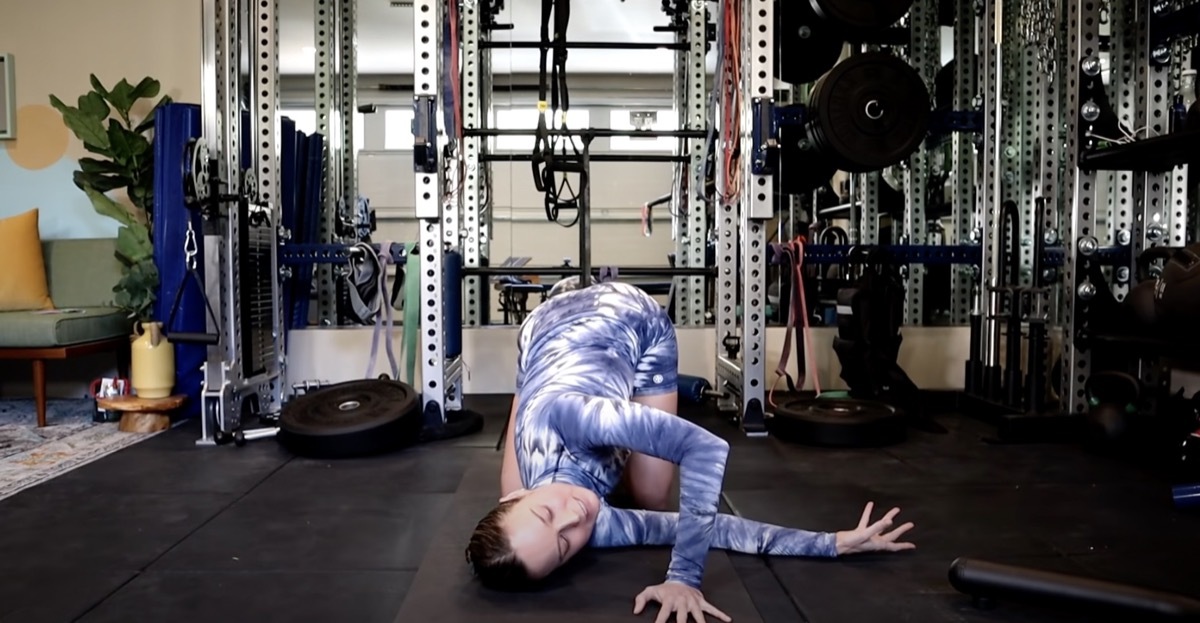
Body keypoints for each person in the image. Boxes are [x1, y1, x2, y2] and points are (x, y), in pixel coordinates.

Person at [466, 278, 915, 622]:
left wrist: (684, 576)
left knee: (650, 495)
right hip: (543, 350)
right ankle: (584, 441)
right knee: (628, 494)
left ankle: (574, 306)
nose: (575, 517)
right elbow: (710, 528)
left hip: (627, 320)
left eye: (546, 513)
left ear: (516, 500)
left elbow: (705, 448)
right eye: (564, 546)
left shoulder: (574, 416)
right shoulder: (586, 526)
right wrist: (832, 544)